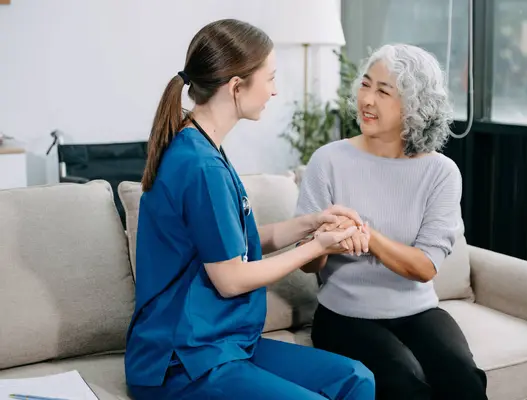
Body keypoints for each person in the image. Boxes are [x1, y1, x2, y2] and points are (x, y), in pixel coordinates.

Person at [124, 19, 375, 400]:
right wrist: (318, 247)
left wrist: (313, 221)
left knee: (356, 378)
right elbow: (232, 278)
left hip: (224, 344)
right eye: (270, 78)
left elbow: (243, 241)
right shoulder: (200, 166)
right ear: (236, 86)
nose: (275, 91)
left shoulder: (206, 148)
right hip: (181, 362)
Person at [296, 43, 488, 400]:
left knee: (465, 382)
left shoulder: (440, 172)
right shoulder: (328, 161)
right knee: (405, 385)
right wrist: (321, 241)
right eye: (365, 85)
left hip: (417, 310)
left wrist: (366, 237)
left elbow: (425, 266)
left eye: (383, 91)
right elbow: (309, 265)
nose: (367, 99)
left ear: (414, 107)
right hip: (343, 315)